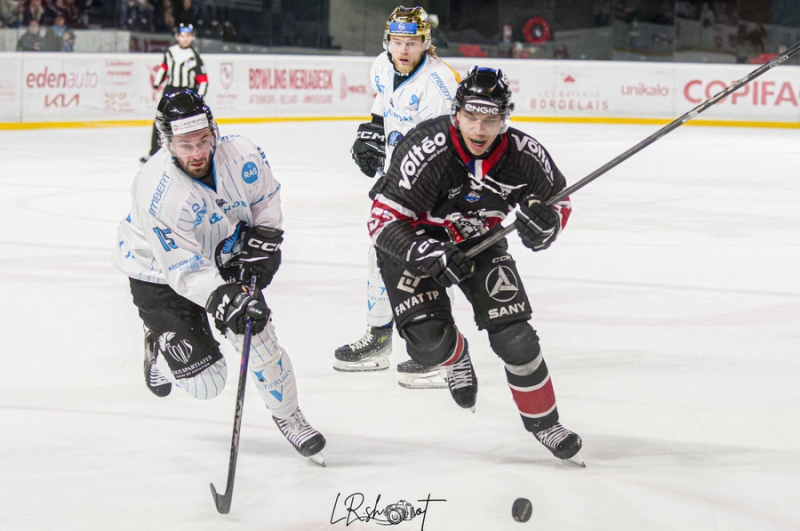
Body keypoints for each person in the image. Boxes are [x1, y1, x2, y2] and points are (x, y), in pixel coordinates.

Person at [366, 67, 584, 464]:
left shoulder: (523, 154)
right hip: (415, 242)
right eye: (471, 117)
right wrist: (427, 254)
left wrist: (545, 226)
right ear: (456, 114)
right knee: (430, 344)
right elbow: (381, 221)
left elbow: (559, 201)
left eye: (490, 119)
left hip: (479, 241)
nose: (480, 129)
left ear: (505, 119)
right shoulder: (427, 147)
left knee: (517, 339)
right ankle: (456, 356)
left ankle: (545, 424)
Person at [113, 89, 326, 465]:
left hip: (220, 250)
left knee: (258, 340)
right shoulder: (158, 193)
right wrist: (226, 297)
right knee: (207, 383)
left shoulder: (242, 153)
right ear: (166, 142)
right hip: (160, 276)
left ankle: (289, 416)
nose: (196, 153)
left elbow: (265, 201)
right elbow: (184, 271)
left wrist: (264, 243)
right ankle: (160, 351)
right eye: (184, 144)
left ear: (214, 131)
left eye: (203, 140)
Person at [334, 5, 460, 390]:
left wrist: (399, 187)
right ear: (387, 41)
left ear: (426, 43)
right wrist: (370, 131)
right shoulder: (382, 65)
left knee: (425, 263)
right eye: (397, 41)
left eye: (412, 42)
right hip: (398, 182)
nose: (403, 50)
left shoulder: (440, 84)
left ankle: (442, 356)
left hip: (434, 184)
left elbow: (438, 149)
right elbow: (382, 103)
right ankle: (379, 338)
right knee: (380, 257)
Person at [140, 23, 207, 164]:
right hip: (171, 90)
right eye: (183, 36)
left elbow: (203, 79)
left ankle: (185, 155)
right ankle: (154, 153)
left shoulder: (194, 56)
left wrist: (199, 97)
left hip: (187, 93)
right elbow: (163, 69)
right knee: (161, 121)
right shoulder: (170, 52)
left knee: (186, 124)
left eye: (188, 36)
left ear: (192, 37)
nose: (185, 39)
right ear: (178, 37)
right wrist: (156, 86)